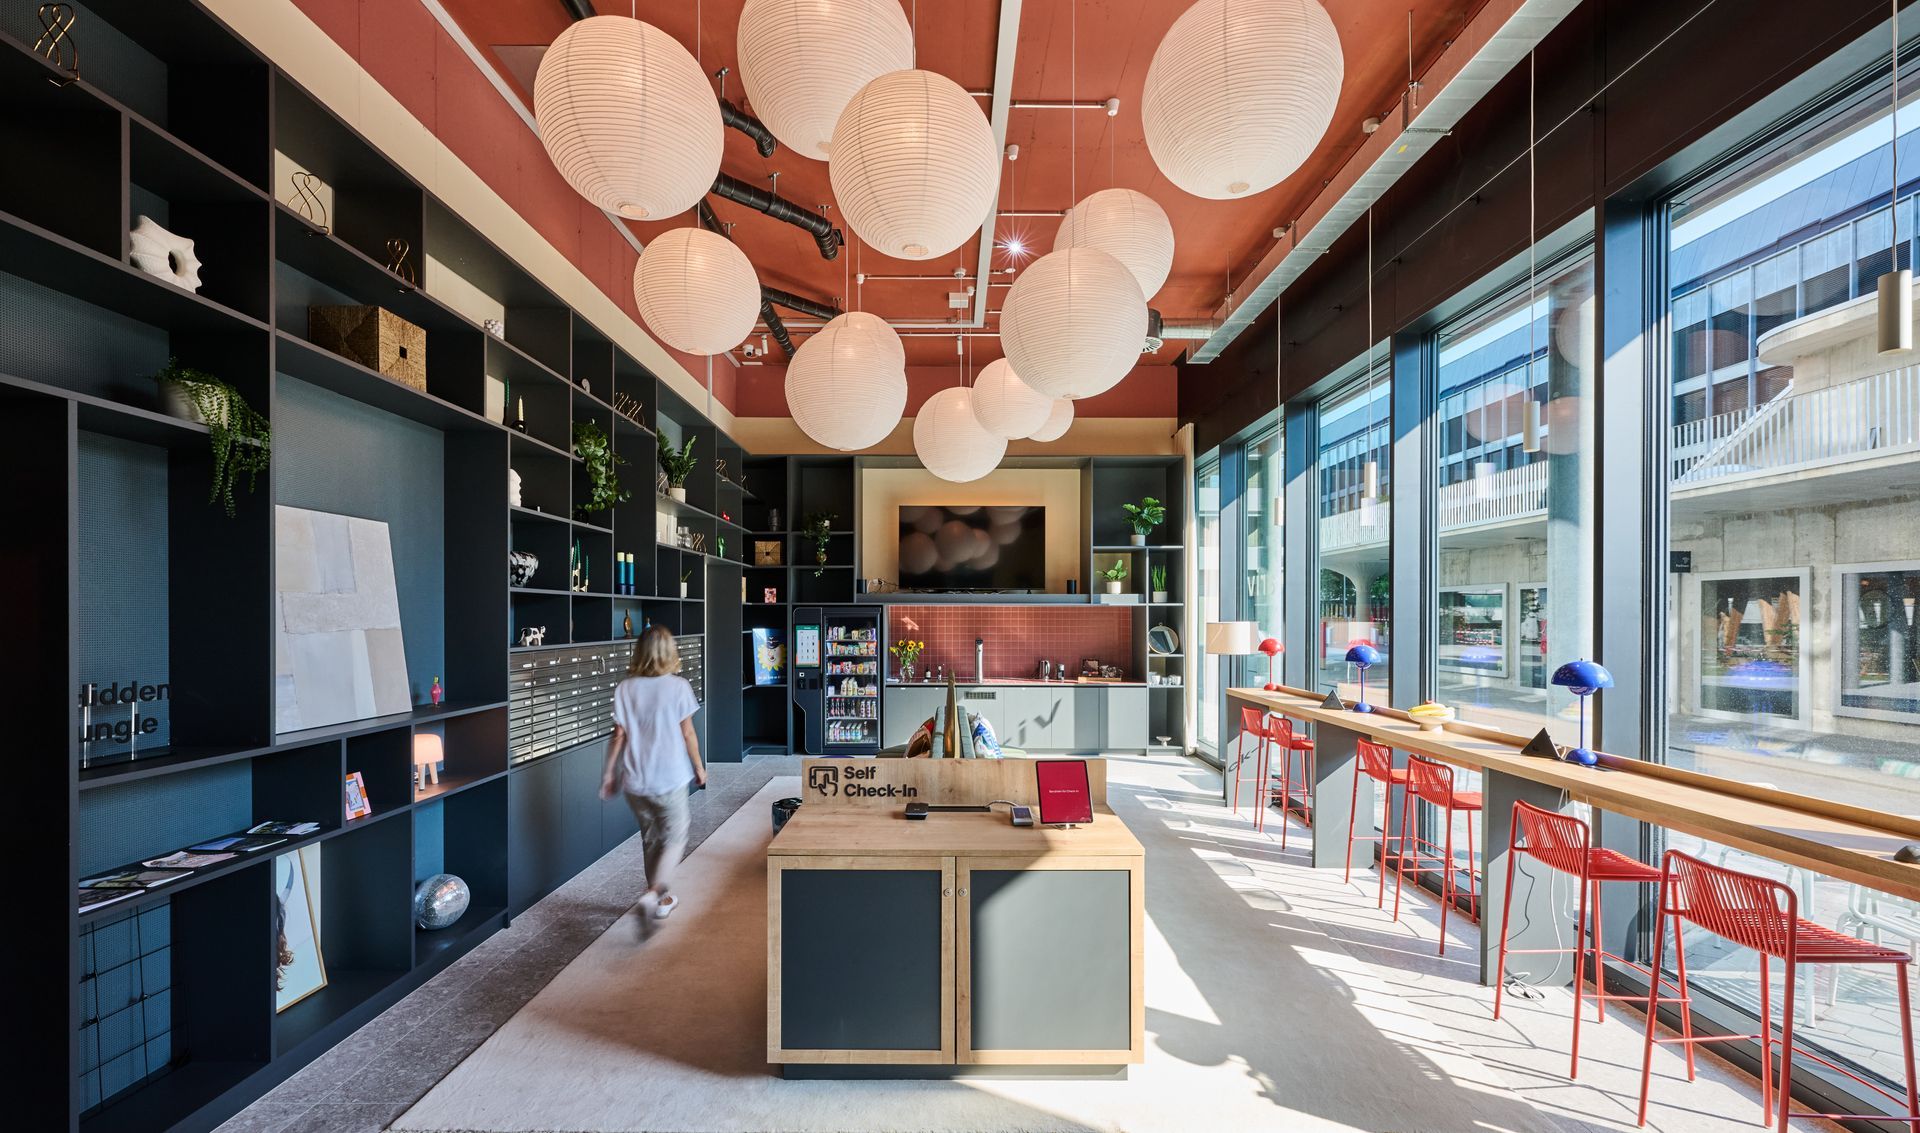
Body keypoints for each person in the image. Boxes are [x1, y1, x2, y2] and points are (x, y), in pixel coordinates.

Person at [599, 625, 707, 931]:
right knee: (675, 836)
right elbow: (688, 733)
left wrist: (609, 774)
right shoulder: (678, 687)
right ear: (669, 652)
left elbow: (618, 736)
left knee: (650, 838)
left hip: (635, 780)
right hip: (670, 777)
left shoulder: (625, 688)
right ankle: (655, 892)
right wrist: (699, 767)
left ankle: (660, 902)